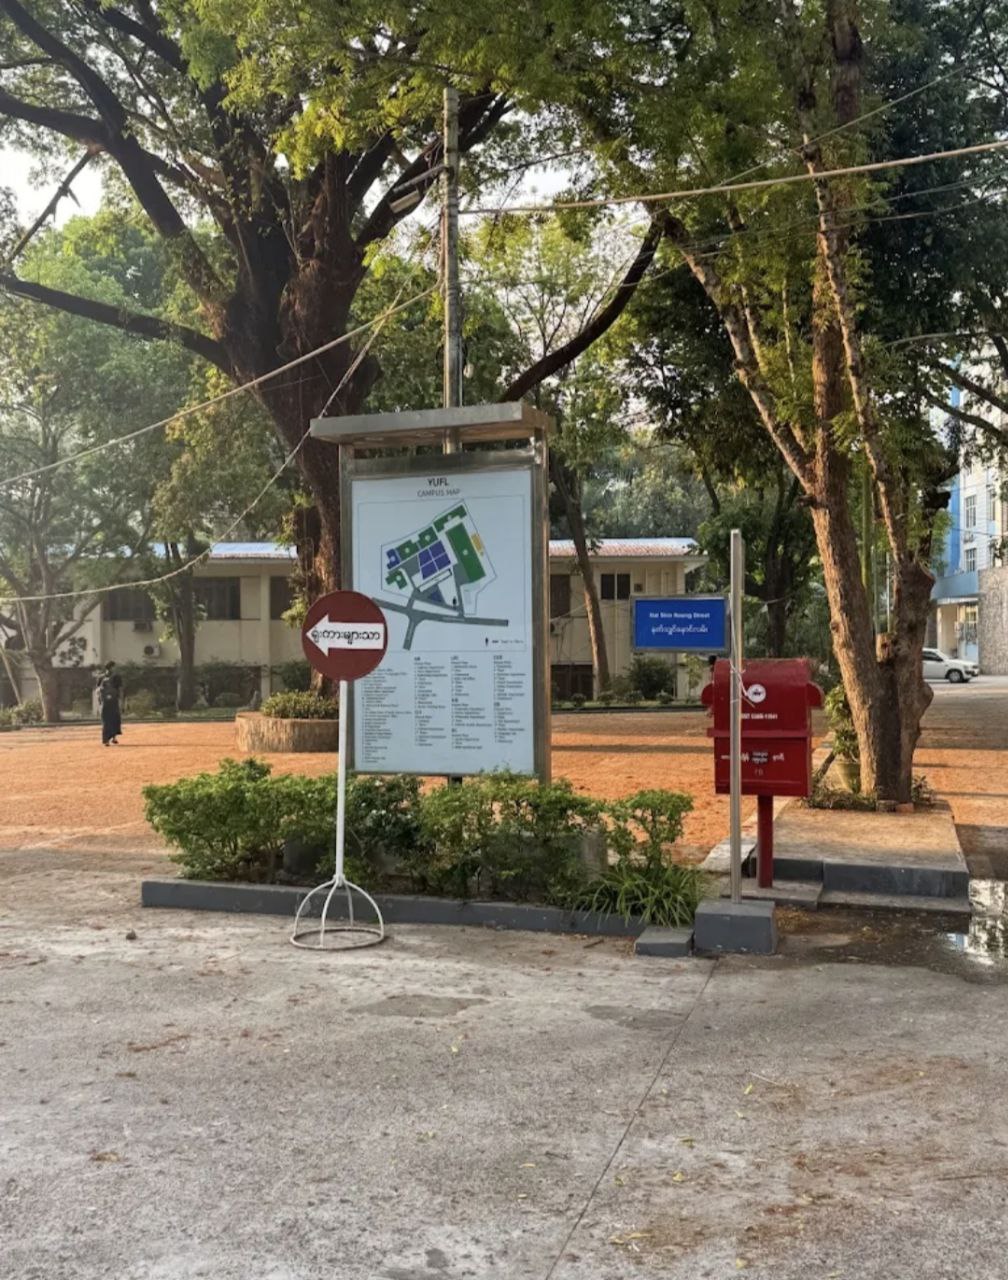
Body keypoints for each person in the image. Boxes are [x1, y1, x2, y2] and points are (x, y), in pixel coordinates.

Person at [98, 662, 123, 746]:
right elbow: (120, 689)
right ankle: (112, 738)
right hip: (113, 702)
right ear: (111, 668)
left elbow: (98, 691)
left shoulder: (101, 677)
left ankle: (107, 740)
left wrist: (100, 701)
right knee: (114, 719)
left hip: (105, 702)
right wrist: (121, 701)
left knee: (106, 720)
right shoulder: (117, 677)